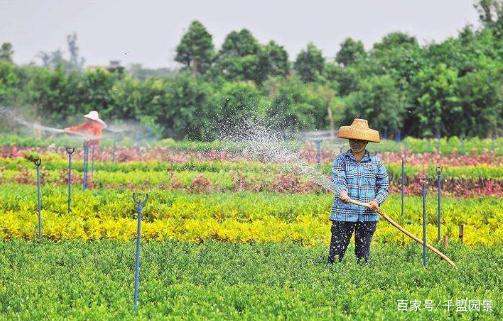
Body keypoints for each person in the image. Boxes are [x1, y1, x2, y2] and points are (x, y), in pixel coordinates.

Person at [328, 118, 389, 264]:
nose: (355, 143)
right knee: (335, 257)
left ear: (366, 142)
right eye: (352, 140)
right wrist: (342, 191)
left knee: (362, 258)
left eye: (359, 141)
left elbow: (384, 187)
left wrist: (376, 201)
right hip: (343, 214)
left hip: (367, 216)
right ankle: (330, 278)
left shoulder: (376, 163)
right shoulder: (340, 160)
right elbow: (338, 179)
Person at [64, 111, 107, 188]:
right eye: (88, 118)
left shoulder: (97, 127)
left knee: (90, 167)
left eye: (89, 119)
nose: (87, 120)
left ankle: (90, 183)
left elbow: (97, 139)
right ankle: (86, 184)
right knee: (85, 166)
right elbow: (78, 128)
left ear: (93, 120)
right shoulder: (86, 125)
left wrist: (90, 139)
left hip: (93, 150)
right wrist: (69, 129)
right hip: (86, 148)